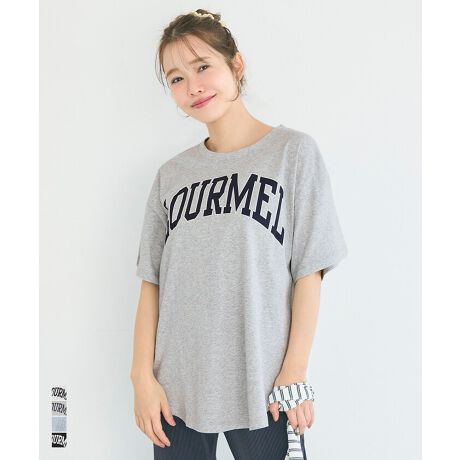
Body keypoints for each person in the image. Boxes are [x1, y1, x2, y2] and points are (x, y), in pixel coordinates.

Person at [130, 8, 348, 460]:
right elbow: (152, 283)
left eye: (202, 66)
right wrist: (142, 379)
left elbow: (310, 271)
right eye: (176, 79)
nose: (193, 87)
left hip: (265, 388)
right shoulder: (171, 176)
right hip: (176, 392)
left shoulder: (292, 153)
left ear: (236, 65)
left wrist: (294, 372)